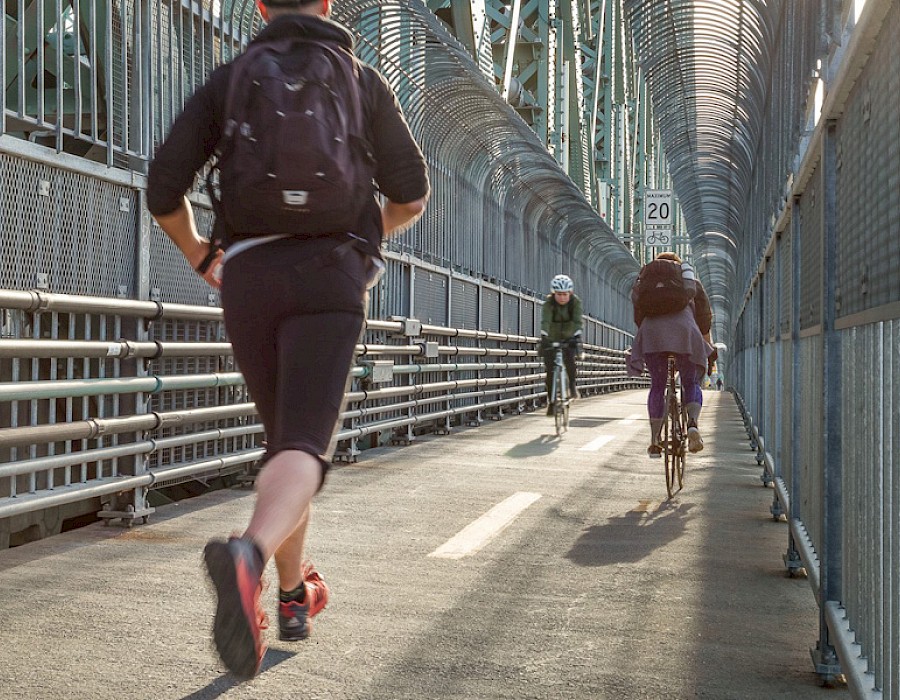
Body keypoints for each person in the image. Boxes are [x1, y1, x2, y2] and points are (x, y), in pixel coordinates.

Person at [146, 0, 429, 679]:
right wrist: (360, 238)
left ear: (260, 6)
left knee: (284, 447)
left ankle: (293, 593)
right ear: (328, 4)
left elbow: (164, 189)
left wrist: (200, 255)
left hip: (248, 276)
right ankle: (248, 554)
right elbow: (412, 194)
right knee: (305, 445)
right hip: (331, 275)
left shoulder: (231, 78)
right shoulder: (362, 81)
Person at [627, 252, 716, 457]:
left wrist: (650, 338)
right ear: (679, 269)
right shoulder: (690, 284)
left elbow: (638, 315)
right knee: (690, 382)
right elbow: (704, 320)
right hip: (685, 334)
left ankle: (655, 439)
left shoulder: (647, 282)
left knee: (658, 385)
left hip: (652, 334)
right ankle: (692, 424)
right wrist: (707, 350)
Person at [540, 274, 583, 414]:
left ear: (570, 293)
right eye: (559, 294)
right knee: (550, 370)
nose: (562, 297)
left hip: (569, 337)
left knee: (570, 361)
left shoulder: (575, 302)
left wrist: (576, 335)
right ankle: (551, 401)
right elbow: (545, 321)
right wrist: (544, 336)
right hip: (552, 337)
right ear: (554, 293)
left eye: (565, 294)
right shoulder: (548, 304)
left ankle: (571, 385)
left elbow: (578, 321)